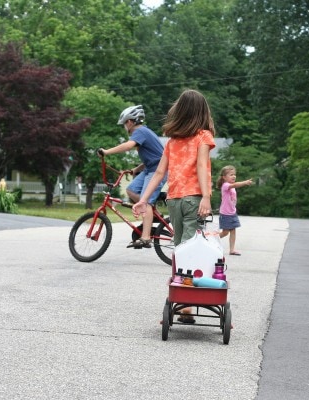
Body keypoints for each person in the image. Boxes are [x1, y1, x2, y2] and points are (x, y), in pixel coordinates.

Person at [132, 89, 216, 323]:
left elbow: (159, 172)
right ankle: (186, 304)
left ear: (179, 112)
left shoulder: (172, 141)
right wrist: (207, 197)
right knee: (191, 249)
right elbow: (201, 166)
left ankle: (180, 298)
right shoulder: (203, 137)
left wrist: (143, 198)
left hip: (174, 199)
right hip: (193, 198)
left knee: (180, 248)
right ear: (202, 112)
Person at [97, 105, 166, 249]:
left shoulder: (139, 131)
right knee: (131, 190)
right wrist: (137, 169)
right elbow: (155, 155)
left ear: (129, 122)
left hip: (157, 171)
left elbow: (128, 146)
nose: (124, 127)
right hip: (149, 169)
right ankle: (153, 214)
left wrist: (106, 152)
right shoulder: (144, 132)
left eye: (124, 124)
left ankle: (146, 237)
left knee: (144, 202)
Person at [216, 165, 253, 256]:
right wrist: (245, 182)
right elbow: (235, 185)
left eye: (234, 174)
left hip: (232, 212)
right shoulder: (225, 185)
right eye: (231, 175)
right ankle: (211, 239)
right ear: (224, 177)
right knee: (225, 232)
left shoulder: (231, 186)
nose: (234, 176)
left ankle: (232, 250)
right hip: (225, 214)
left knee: (233, 231)